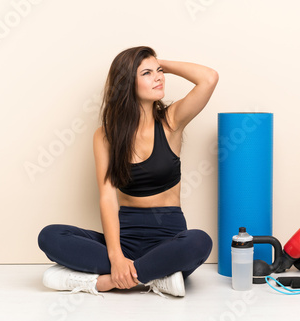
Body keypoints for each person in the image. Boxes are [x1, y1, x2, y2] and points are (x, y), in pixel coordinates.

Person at [37, 46, 218, 297]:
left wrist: (157, 62)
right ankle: (154, 277)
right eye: (146, 73)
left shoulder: (171, 121)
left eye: (159, 71)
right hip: (124, 239)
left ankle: (103, 282)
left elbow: (209, 78)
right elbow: (107, 198)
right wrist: (117, 256)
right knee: (50, 236)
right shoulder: (105, 136)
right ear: (127, 83)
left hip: (168, 239)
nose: (159, 77)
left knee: (199, 241)